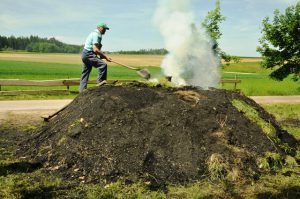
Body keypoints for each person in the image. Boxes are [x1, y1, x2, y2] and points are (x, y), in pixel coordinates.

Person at [79, 22, 112, 92]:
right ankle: (101, 83)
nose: (105, 30)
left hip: (85, 54)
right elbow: (95, 49)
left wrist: (102, 56)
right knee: (103, 65)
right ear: (98, 27)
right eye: (104, 28)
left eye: (105, 29)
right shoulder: (96, 35)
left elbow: (97, 49)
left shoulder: (94, 34)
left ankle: (81, 92)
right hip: (89, 54)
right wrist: (106, 57)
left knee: (85, 74)